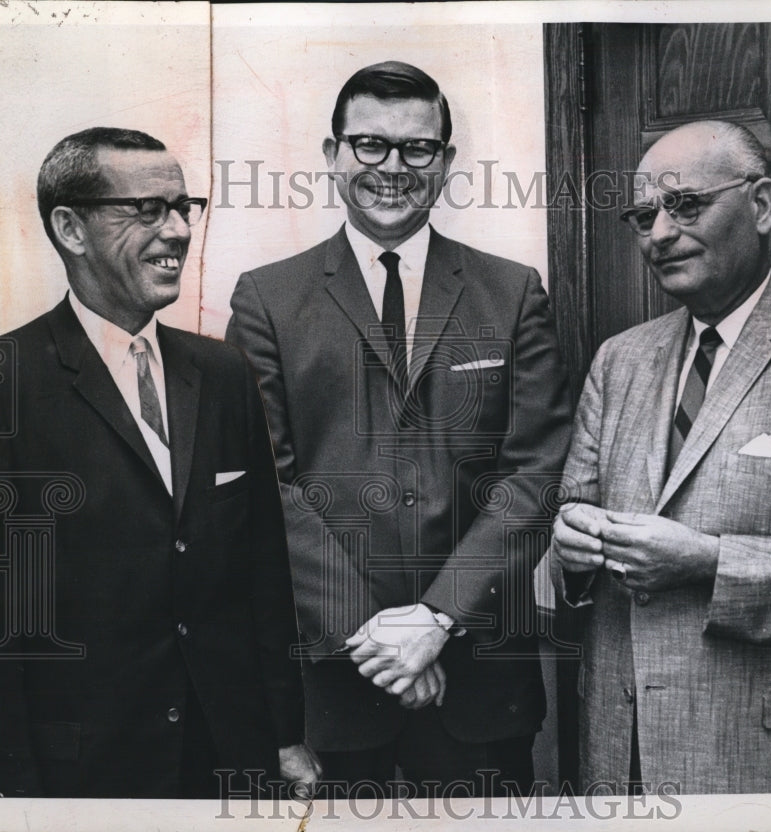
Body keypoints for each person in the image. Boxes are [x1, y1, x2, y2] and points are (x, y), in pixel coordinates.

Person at [225, 61, 571, 795]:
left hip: (481, 686)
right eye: (370, 145)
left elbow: (536, 473)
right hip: (331, 687)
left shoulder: (513, 293)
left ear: (445, 161)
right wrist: (376, 635)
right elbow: (266, 485)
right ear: (333, 155)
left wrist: (437, 618)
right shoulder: (267, 300)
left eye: (417, 148)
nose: (392, 168)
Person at [551, 120, 771, 794]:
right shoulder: (618, 360)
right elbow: (572, 522)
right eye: (644, 216)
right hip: (621, 759)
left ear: (761, 205)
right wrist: (569, 548)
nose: (659, 234)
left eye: (685, 205)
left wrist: (710, 563)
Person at [0, 127, 320, 799]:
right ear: (70, 228)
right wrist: (10, 791)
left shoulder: (223, 372)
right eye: (148, 210)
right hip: (81, 775)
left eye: (184, 208)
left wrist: (284, 734)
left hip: (225, 756)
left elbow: (263, 576)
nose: (179, 231)